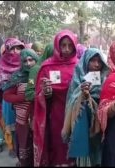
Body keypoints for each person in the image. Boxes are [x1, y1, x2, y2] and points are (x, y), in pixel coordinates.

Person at [33, 29, 79, 166]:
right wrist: (45, 93)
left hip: (76, 113)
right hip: (56, 114)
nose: (66, 49)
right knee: (58, 144)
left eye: (70, 46)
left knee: (74, 144)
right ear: (56, 46)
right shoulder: (47, 66)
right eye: (63, 45)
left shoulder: (80, 65)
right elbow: (38, 93)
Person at [62, 48, 110, 166]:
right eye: (92, 61)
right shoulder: (78, 78)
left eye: (99, 61)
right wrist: (83, 95)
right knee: (84, 155)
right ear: (85, 61)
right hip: (82, 122)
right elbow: (71, 100)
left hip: (99, 124)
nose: (96, 64)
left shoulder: (106, 79)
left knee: (98, 153)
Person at [3, 49, 39, 167]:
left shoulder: (41, 73)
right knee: (24, 144)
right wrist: (25, 96)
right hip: (22, 120)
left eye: (31, 60)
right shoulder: (17, 76)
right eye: (25, 61)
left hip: (39, 119)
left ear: (36, 59)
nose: (28, 63)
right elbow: (6, 95)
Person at [0, 38, 25, 154]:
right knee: (6, 123)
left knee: (20, 124)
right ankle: (10, 146)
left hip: (21, 99)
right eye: (13, 49)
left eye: (18, 49)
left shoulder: (24, 63)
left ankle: (20, 145)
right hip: (3, 100)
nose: (16, 52)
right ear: (7, 50)